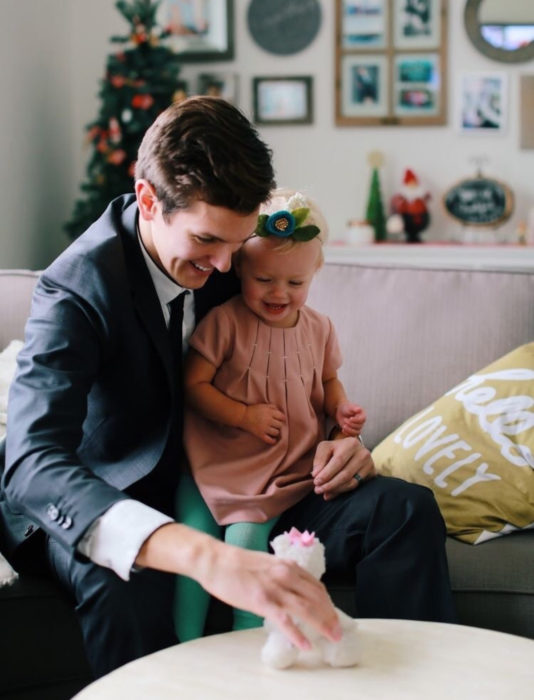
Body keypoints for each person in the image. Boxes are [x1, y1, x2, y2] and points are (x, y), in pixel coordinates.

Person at [0, 96, 455, 682]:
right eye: (208, 242)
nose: (222, 268)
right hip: (120, 499)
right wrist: (207, 557)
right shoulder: (77, 289)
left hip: (252, 481)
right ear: (148, 201)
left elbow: (293, 362)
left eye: (236, 247)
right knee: (129, 585)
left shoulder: (235, 257)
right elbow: (31, 461)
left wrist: (339, 443)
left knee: (402, 509)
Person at [175, 189, 366, 639]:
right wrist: (244, 416)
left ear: (314, 274)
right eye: (264, 280)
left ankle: (249, 642)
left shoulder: (319, 328)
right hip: (212, 462)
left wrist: (341, 409)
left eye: (295, 284)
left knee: (245, 544)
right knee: (190, 550)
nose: (279, 293)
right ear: (240, 266)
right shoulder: (224, 322)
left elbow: (326, 384)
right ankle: (179, 647)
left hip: (275, 472)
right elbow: (193, 386)